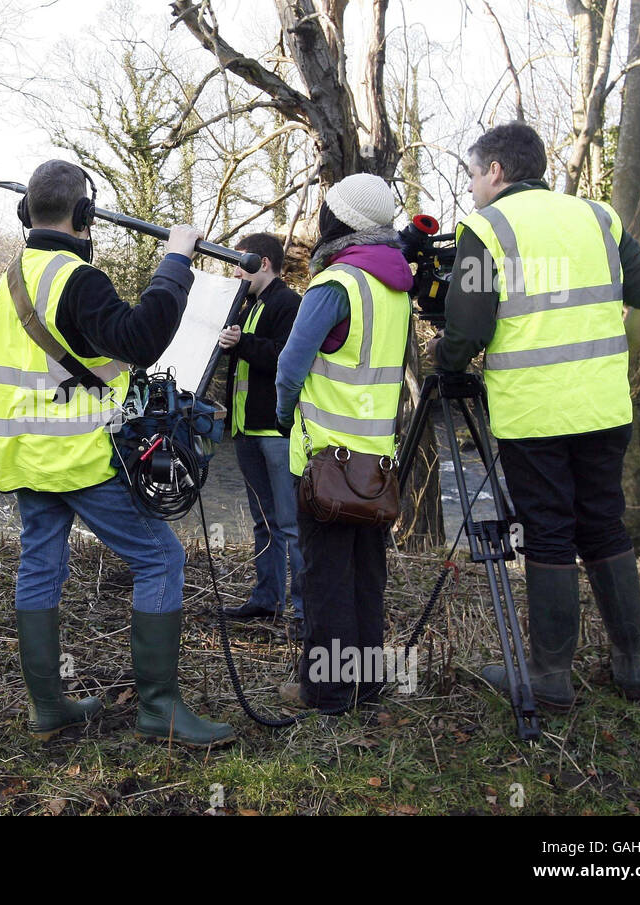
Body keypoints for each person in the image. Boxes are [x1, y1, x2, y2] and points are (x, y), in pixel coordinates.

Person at [0, 159, 234, 747]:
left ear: (29, 213)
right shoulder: (76, 278)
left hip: (24, 451)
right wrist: (176, 259)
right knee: (161, 561)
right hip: (80, 455)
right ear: (85, 215)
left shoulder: (14, 275)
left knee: (42, 567)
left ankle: (48, 706)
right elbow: (143, 338)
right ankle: (160, 709)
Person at [432, 122, 640, 708]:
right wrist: (616, 360)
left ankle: (549, 679)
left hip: (535, 411)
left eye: (472, 175)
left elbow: (467, 328)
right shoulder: (598, 217)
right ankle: (633, 669)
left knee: (550, 535)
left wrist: (446, 357)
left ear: (496, 172)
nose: (472, 189)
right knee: (605, 524)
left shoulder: (487, 228)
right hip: (604, 405)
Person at [275, 174, 413, 712]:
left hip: (325, 462)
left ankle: (327, 691)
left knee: (324, 575)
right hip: (376, 460)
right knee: (365, 577)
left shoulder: (336, 285)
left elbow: (290, 366)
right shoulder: (396, 287)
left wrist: (286, 415)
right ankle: (366, 682)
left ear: (341, 220)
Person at [217, 232, 305, 637]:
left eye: (241, 263)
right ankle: (266, 600)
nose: (236, 270)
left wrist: (242, 342)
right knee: (263, 522)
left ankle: (304, 614)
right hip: (246, 429)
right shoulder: (250, 304)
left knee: (290, 524)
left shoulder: (290, 304)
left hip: (275, 431)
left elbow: (286, 359)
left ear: (263, 263)